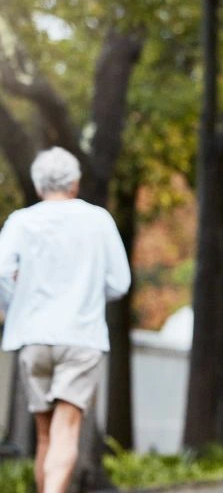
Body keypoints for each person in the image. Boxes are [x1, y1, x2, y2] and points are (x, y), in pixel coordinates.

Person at [0, 147, 131, 493]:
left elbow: (1, 272)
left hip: (32, 336)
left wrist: (17, 304)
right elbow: (120, 282)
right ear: (74, 183)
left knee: (44, 436)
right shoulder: (98, 219)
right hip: (81, 337)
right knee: (66, 431)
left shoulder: (20, 221)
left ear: (38, 184)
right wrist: (85, 295)